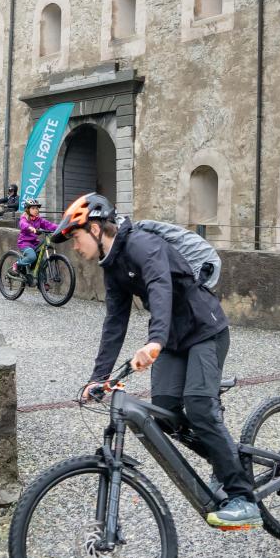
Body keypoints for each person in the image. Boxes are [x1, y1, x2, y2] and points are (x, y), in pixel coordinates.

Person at [52, 193, 260, 529]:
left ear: (94, 228)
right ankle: (228, 462)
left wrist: (154, 341)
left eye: (76, 238)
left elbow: (160, 286)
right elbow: (115, 321)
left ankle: (242, 496)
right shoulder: (113, 267)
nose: (75, 247)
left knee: (198, 404)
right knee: (165, 414)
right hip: (174, 342)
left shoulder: (141, 245)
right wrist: (98, 377)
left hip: (204, 330)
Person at [14, 198, 57, 282]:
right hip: (25, 243)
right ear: (27, 210)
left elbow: (49, 225)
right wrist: (30, 227)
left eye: (37, 208)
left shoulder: (39, 219)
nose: (36, 210)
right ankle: (17, 264)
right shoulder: (24, 218)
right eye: (33, 208)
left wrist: (62, 227)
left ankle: (43, 284)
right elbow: (23, 224)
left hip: (34, 244)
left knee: (42, 262)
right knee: (32, 256)